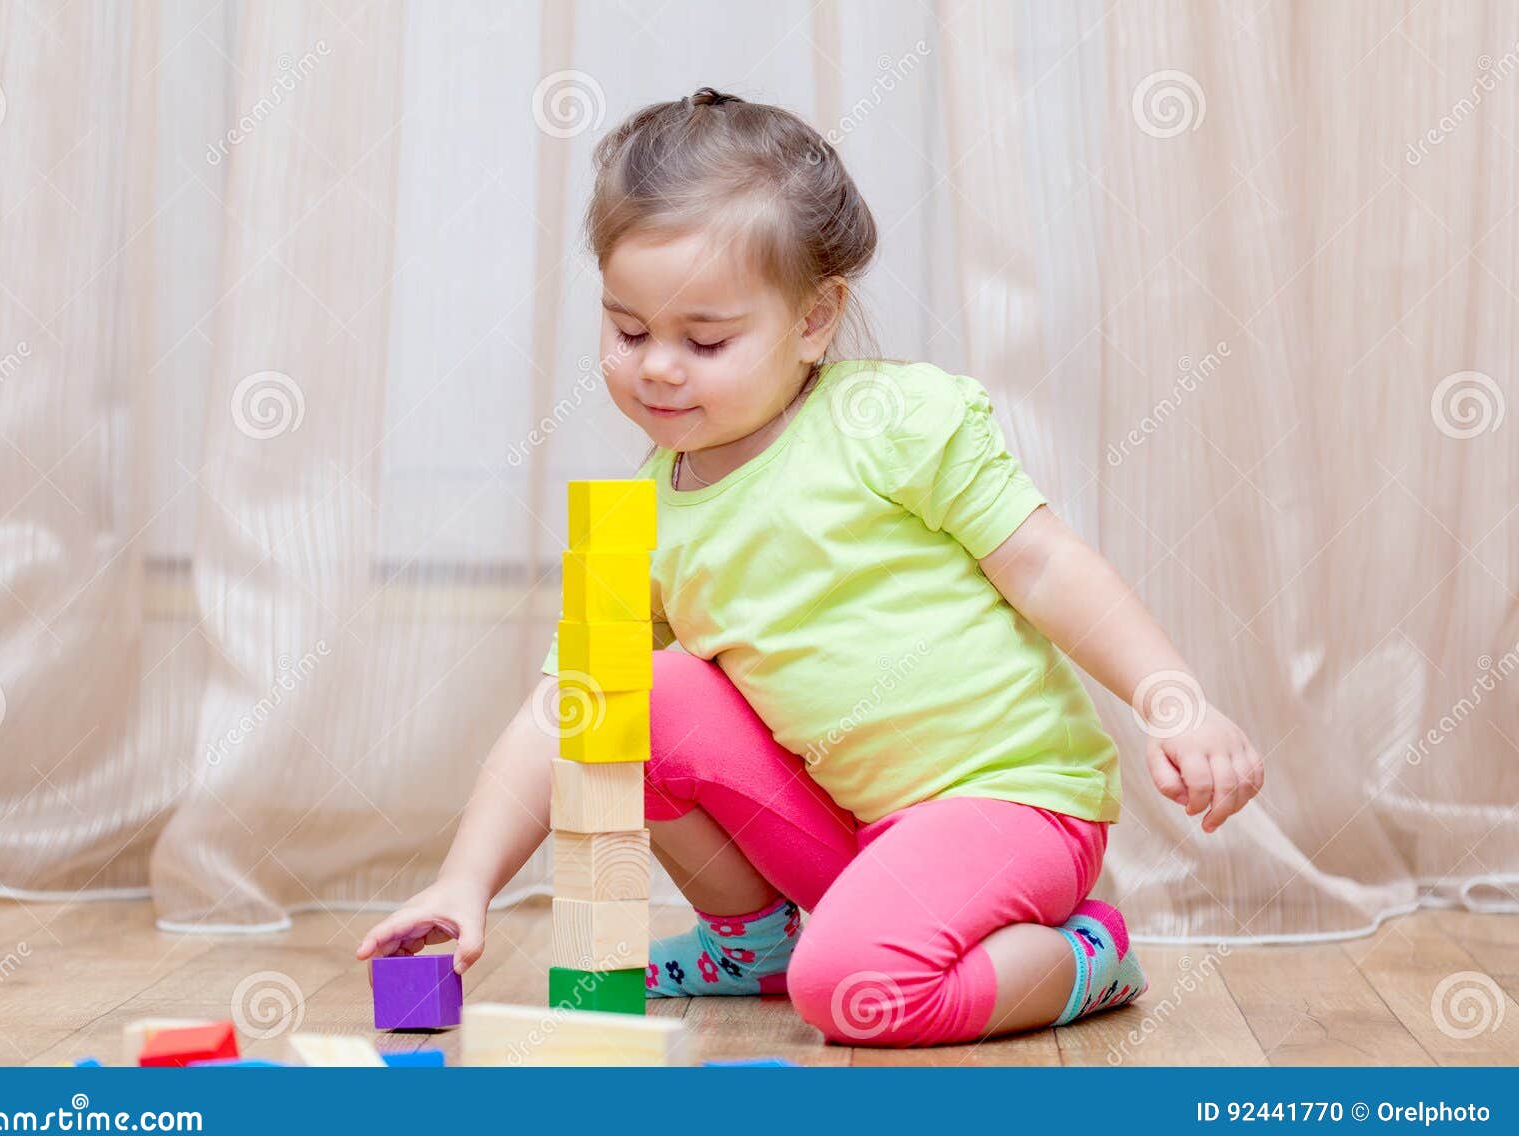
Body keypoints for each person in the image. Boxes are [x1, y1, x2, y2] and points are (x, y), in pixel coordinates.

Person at [356, 86, 1264, 1047]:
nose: (659, 366)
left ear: (814, 320)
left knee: (856, 989)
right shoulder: (634, 519)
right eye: (629, 331)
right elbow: (561, 715)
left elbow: (1046, 566)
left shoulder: (893, 423)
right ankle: (755, 944)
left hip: (1005, 801)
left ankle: (1086, 958)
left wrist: (1176, 701)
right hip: (851, 835)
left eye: (704, 340)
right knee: (628, 692)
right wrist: (466, 878)